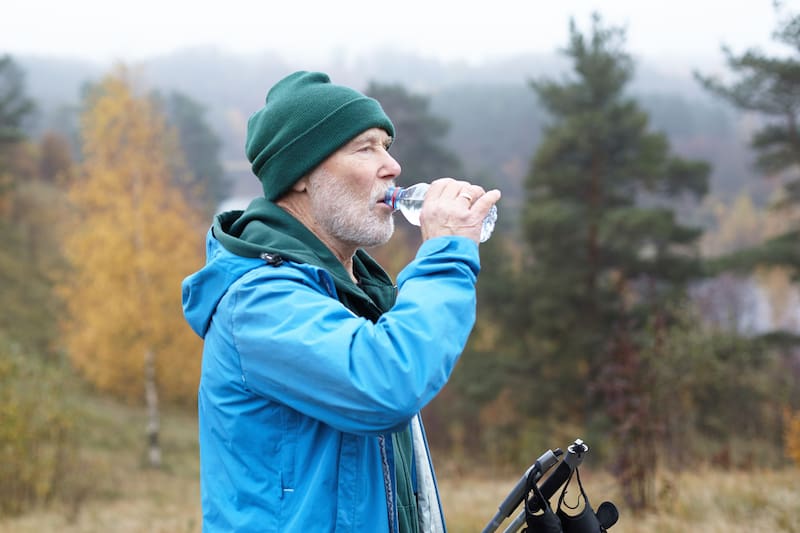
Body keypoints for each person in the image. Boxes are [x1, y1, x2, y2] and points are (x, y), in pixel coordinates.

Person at [181, 70, 501, 532]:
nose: (391, 166)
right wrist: (447, 252)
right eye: (365, 147)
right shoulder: (257, 302)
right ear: (302, 175)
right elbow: (387, 384)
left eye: (387, 146)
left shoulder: (356, 296)